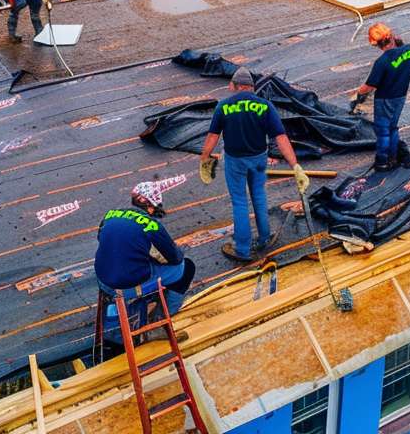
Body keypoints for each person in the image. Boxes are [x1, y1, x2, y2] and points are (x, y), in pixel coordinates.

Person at [197, 68, 309, 263]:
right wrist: (295, 165)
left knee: (240, 202)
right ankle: (264, 239)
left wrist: (205, 159)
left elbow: (213, 136)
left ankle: (242, 249)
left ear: (236, 85)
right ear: (251, 87)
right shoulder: (265, 106)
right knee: (258, 196)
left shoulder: (223, 106)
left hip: (235, 161)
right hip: (258, 159)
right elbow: (281, 137)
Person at [94, 181, 196, 315]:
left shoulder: (110, 215)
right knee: (186, 268)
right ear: (150, 206)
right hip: (124, 287)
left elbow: (102, 239)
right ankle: (163, 318)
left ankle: (117, 309)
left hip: (103, 281)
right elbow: (173, 258)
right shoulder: (152, 226)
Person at [351, 22, 410, 171]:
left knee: (383, 131)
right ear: (391, 36)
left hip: (385, 99)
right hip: (400, 96)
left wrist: (358, 95)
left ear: (376, 44)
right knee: (393, 127)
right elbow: (402, 47)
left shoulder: (382, 62)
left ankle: (382, 161)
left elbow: (370, 86)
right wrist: (396, 41)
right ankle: (393, 157)